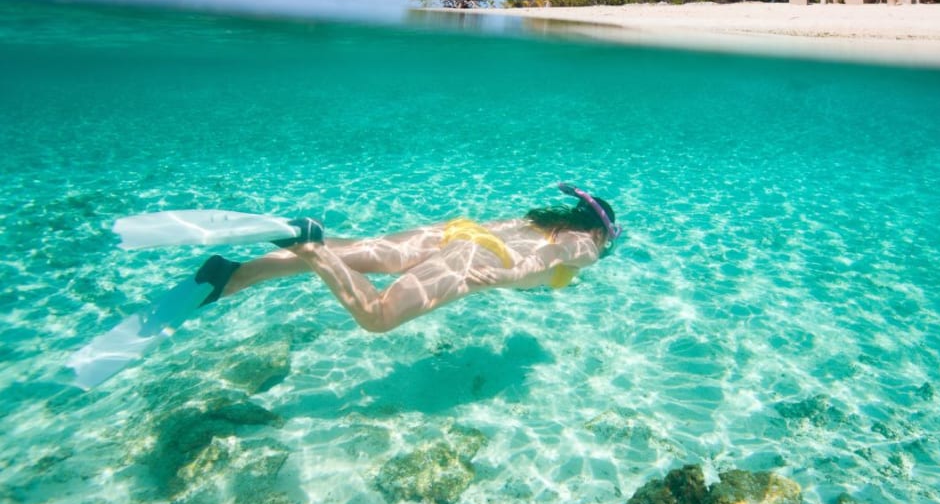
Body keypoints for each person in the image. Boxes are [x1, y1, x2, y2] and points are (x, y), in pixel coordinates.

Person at [194, 183, 621, 333]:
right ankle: (309, 245)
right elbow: (548, 258)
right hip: (478, 255)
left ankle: (234, 276)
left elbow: (536, 242)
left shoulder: (539, 219)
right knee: (378, 316)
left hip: (461, 231)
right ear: (601, 230)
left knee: (359, 254)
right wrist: (498, 278)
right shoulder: (587, 243)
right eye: (607, 239)